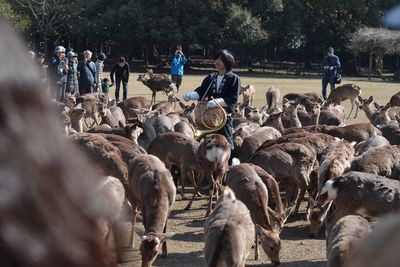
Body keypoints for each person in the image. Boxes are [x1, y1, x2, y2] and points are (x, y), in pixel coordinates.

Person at [183, 50, 240, 162]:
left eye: (220, 59)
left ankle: (230, 163)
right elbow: (202, 90)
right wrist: (191, 95)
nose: (217, 61)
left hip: (223, 118)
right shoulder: (211, 77)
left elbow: (233, 98)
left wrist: (217, 101)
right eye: (216, 59)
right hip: (208, 118)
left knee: (227, 141)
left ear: (227, 61)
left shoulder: (234, 78)